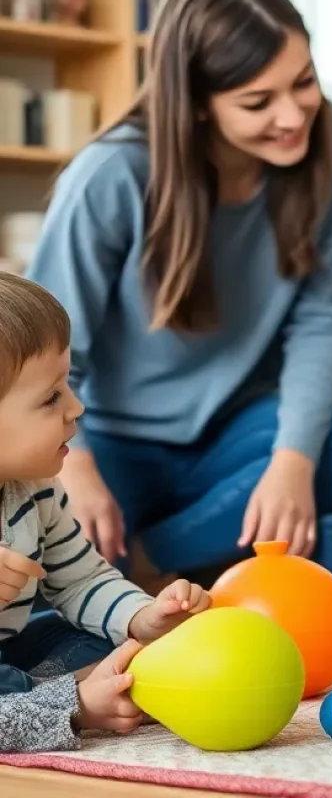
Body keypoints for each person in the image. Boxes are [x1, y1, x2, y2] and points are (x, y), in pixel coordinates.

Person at [27, 0, 332, 601]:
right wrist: (75, 467)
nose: (294, 114)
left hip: (236, 430)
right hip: (107, 437)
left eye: (304, 82)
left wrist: (292, 463)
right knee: (41, 536)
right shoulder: (111, 174)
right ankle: (184, 560)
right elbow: (45, 343)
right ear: (196, 105)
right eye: (257, 101)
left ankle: (158, 558)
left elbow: (324, 321)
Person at [0, 273, 210, 753]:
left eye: (67, 386)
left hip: (11, 655)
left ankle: (43, 694)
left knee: (100, 637)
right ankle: (68, 704)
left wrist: (142, 617)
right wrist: (75, 704)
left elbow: (81, 581)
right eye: (51, 397)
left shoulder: (38, 490)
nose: (76, 408)